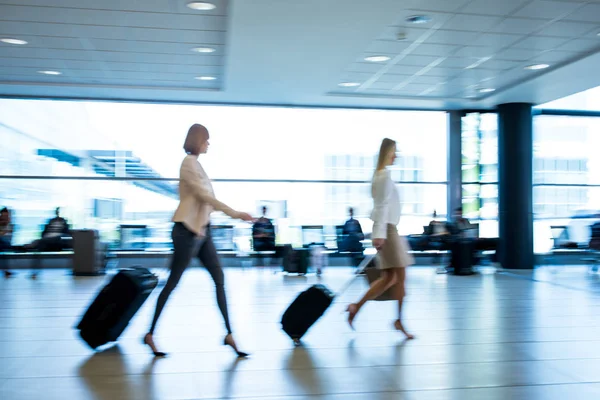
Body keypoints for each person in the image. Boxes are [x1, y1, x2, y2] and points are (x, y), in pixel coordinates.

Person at [143, 123, 254, 358]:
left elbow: (206, 201)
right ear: (197, 140)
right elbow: (204, 197)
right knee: (173, 282)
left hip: (203, 232)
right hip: (186, 232)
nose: (208, 144)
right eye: (206, 140)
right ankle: (150, 334)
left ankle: (229, 334)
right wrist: (235, 213)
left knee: (219, 279)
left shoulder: (197, 165)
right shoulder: (188, 164)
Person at [346, 138, 415, 339]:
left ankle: (356, 307)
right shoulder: (383, 175)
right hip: (387, 230)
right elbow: (381, 206)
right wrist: (379, 235)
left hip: (388, 229)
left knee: (390, 278)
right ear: (386, 152)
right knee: (398, 277)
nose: (396, 155)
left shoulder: (379, 175)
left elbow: (380, 206)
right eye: (394, 151)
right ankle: (398, 320)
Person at [1, 207, 14, 278]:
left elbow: (9, 237)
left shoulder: (10, 225)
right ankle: (5, 271)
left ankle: (6, 270)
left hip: (6, 243)